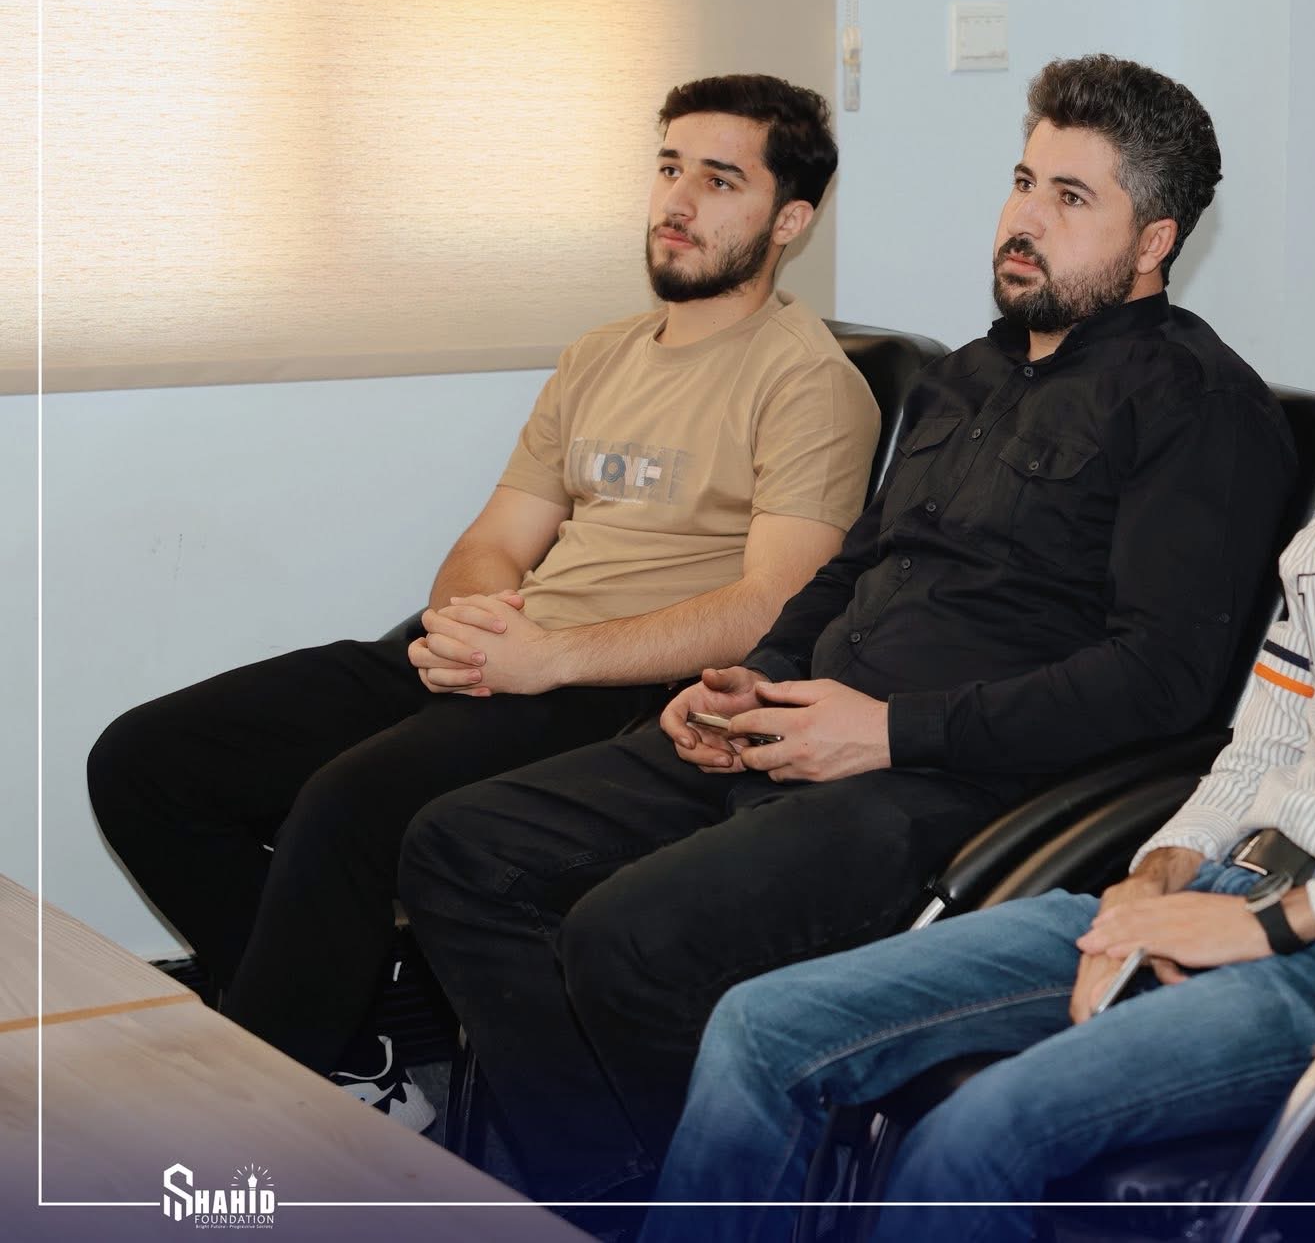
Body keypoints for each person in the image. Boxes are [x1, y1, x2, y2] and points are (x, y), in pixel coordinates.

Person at [645, 167, 1315, 1243]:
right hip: (1231, 892)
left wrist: (1270, 922)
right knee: (763, 1026)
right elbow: (1256, 748)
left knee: (978, 1131)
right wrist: (1155, 880)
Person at [396, 54, 1297, 1209]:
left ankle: (682, 1202)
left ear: (1153, 242)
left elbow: (1160, 681)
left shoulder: (1199, 406)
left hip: (956, 788)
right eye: (1023, 181)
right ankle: (613, 1188)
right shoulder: (967, 377)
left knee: (630, 937)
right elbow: (854, 568)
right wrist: (748, 677)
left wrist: (887, 732)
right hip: (796, 724)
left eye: (1070, 198)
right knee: (459, 847)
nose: (1022, 219)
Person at [86, 74, 876, 1128]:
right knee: (147, 762)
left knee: (348, 804)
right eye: (668, 167)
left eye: (720, 179)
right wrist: (475, 622)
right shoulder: (599, 354)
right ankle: (353, 1047)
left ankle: (270, 1118)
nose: (677, 201)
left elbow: (773, 604)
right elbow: (494, 540)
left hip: (618, 684)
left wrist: (550, 657)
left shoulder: (808, 382)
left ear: (789, 221)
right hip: (510, 647)